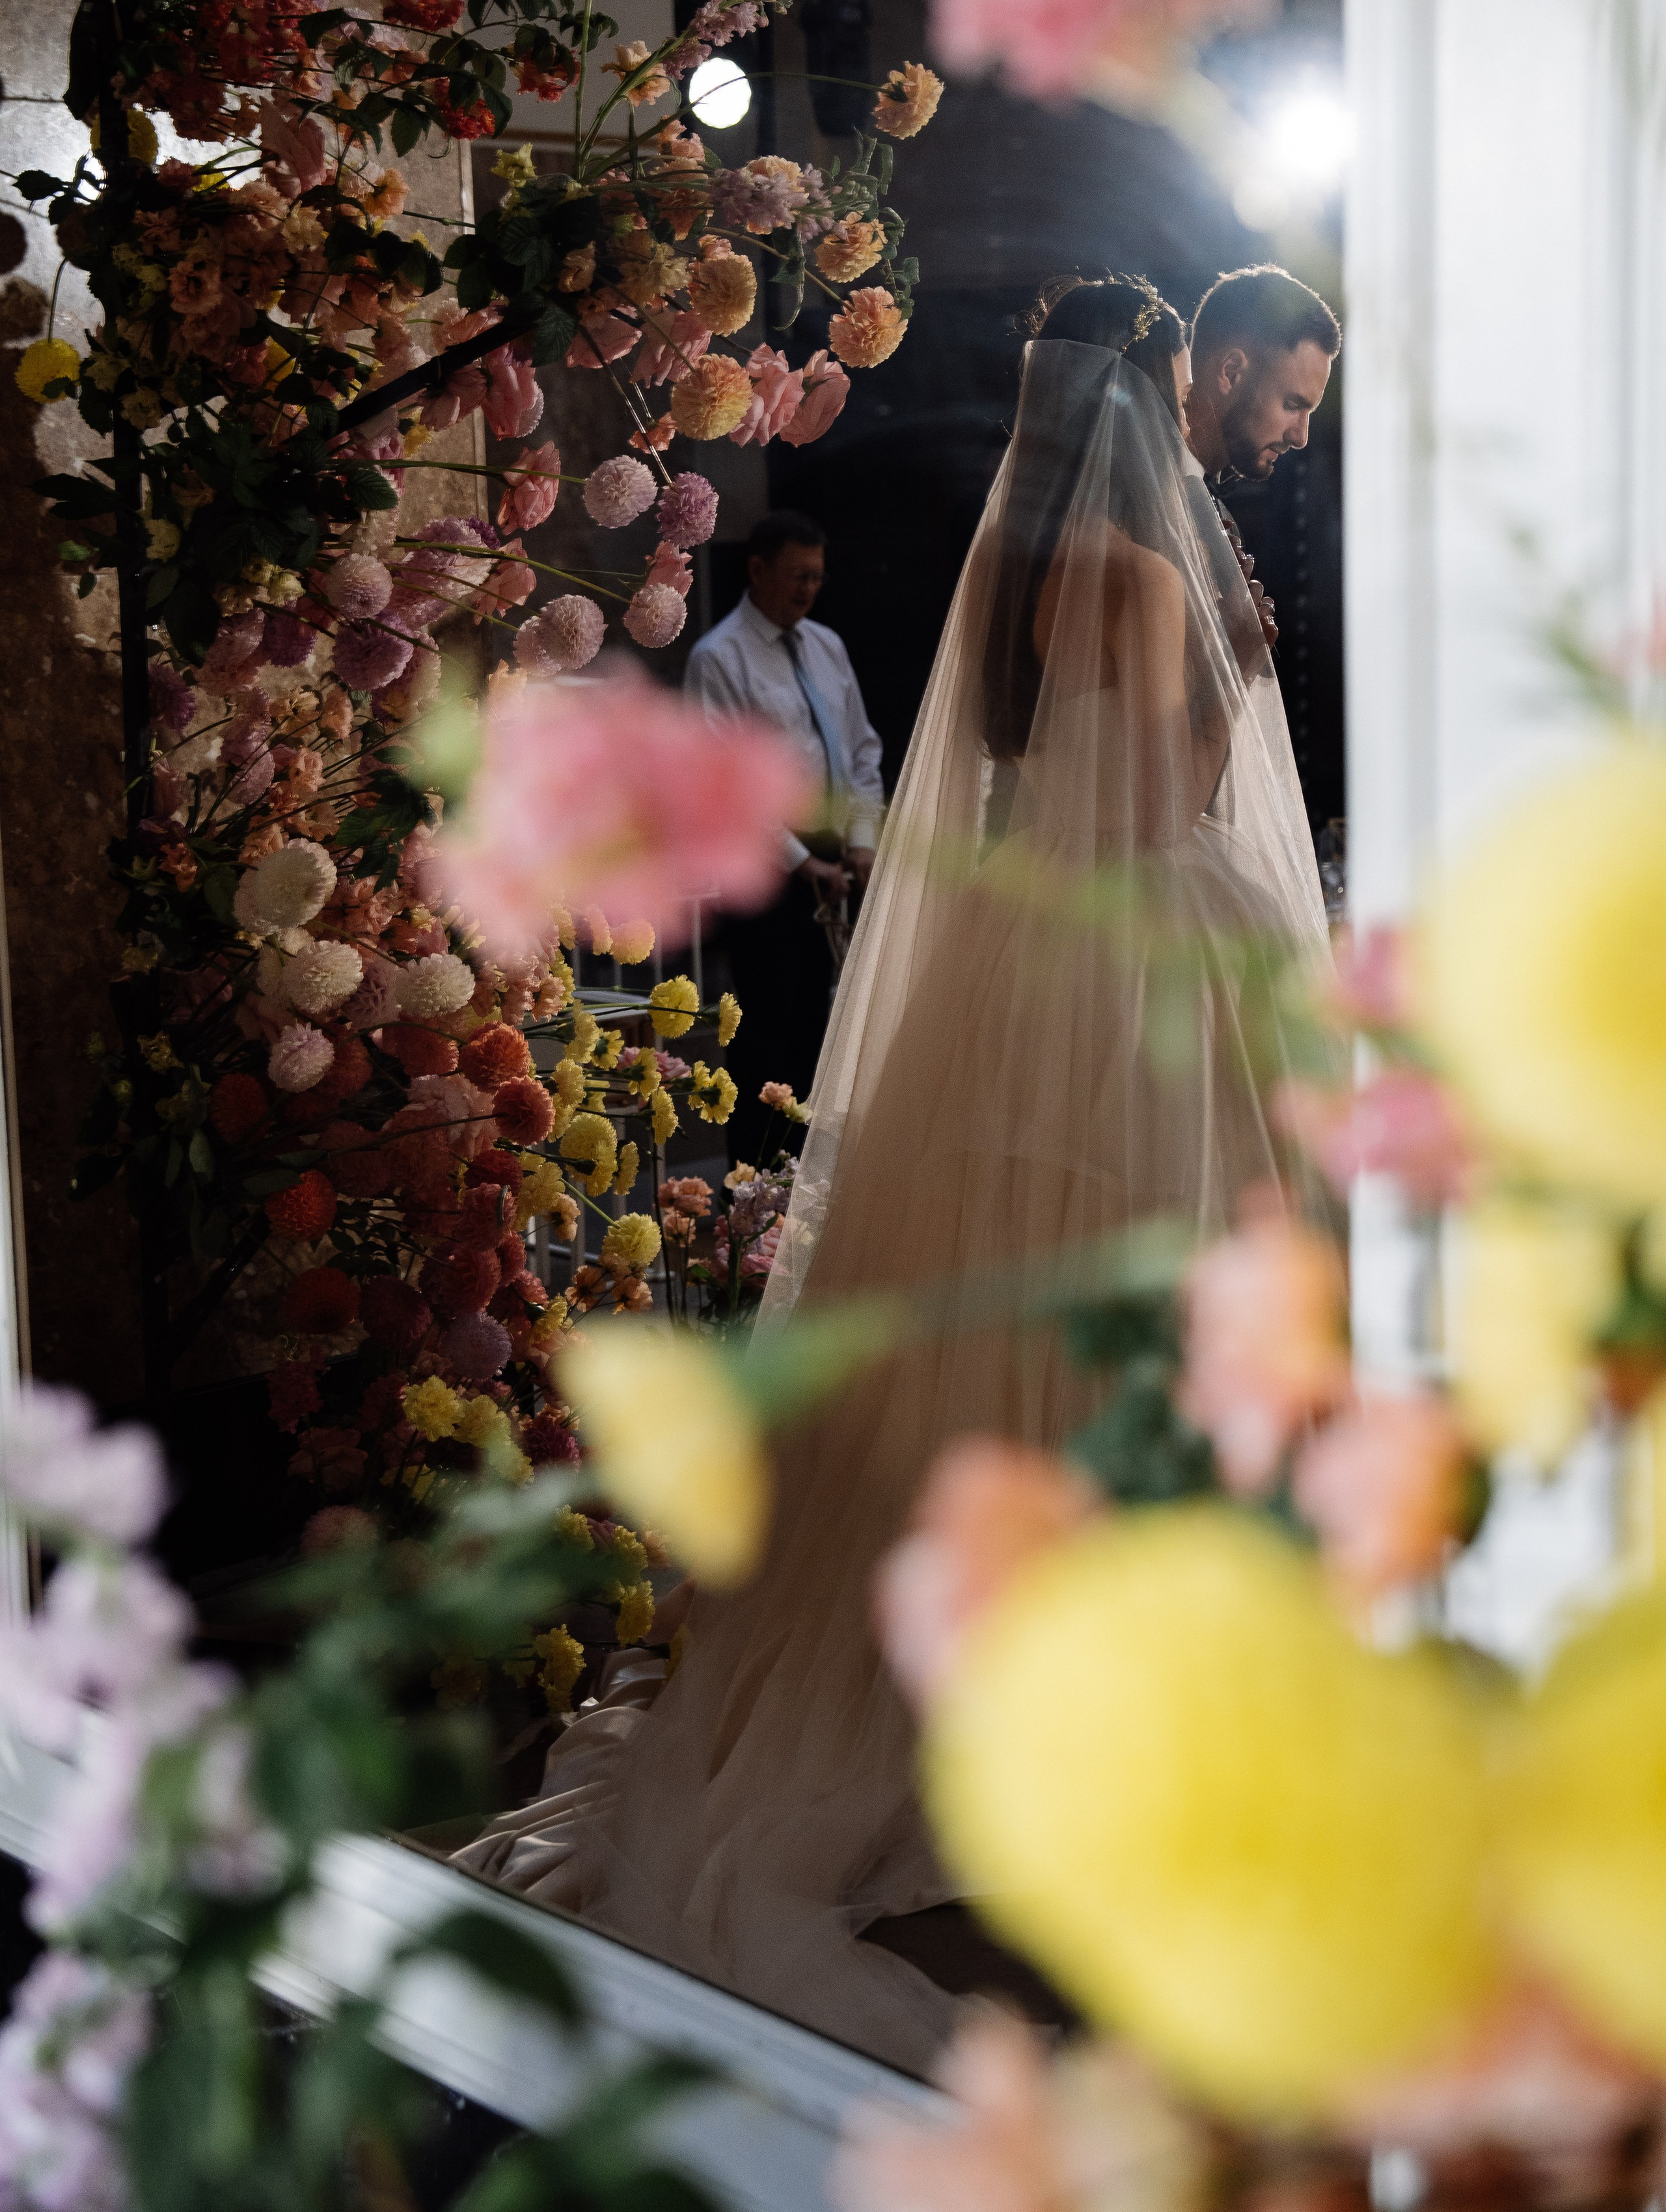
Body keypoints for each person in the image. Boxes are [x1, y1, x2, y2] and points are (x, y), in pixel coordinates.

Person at [457, 274, 1333, 2072]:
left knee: (979, 1310)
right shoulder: (1162, 578)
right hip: (1149, 950)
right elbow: (1181, 778)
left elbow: (1011, 768)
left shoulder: (1006, 576)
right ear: (1153, 390)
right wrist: (1237, 652)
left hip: (1013, 978)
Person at [683, 510, 885, 1161]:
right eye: (797, 576)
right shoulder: (719, 658)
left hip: (832, 856)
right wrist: (801, 862)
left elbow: (859, 750)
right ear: (758, 571)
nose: (807, 590)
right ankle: (756, 1187)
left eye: (817, 578)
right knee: (767, 1033)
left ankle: (807, 1181)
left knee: (820, 1033)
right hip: (767, 869)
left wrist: (859, 838)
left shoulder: (826, 644)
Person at [1182, 263, 1343, 653]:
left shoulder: (1207, 505)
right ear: (1231, 372)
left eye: (1310, 414)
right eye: (1292, 404)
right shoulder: (1144, 502)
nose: (1301, 437)